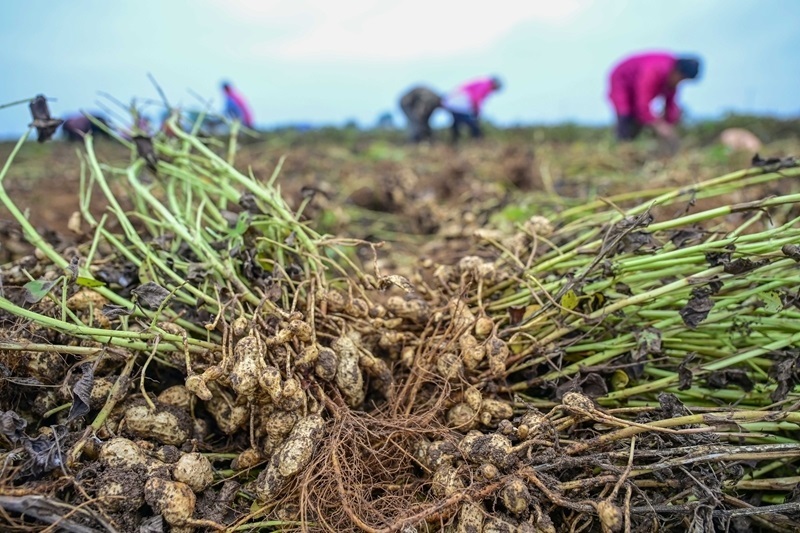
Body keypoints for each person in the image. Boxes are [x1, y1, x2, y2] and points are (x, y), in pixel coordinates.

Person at [608, 52, 701, 143]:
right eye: (681, 79)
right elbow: (642, 104)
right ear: (677, 72)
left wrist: (670, 123)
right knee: (626, 114)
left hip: (638, 83)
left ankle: (634, 141)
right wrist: (659, 125)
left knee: (640, 119)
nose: (679, 83)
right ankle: (623, 143)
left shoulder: (671, 78)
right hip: (622, 81)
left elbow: (670, 104)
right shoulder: (654, 70)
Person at [441, 76, 502, 143]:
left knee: (457, 123)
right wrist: (476, 110)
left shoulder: (483, 83)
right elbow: (476, 98)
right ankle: (477, 140)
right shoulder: (486, 85)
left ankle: (454, 142)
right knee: (471, 123)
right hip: (459, 103)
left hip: (453, 102)